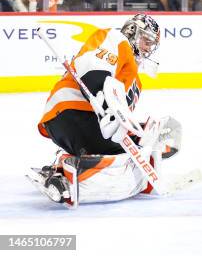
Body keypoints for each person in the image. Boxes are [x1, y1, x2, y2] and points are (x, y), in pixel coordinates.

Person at [31, 14, 181, 206]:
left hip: (80, 124)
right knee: (126, 160)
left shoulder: (135, 79)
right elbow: (93, 71)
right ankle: (72, 171)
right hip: (71, 112)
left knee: (141, 145)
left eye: (151, 44)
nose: (147, 48)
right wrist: (106, 105)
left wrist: (137, 132)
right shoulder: (115, 38)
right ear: (132, 31)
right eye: (146, 40)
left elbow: (118, 116)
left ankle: (63, 168)